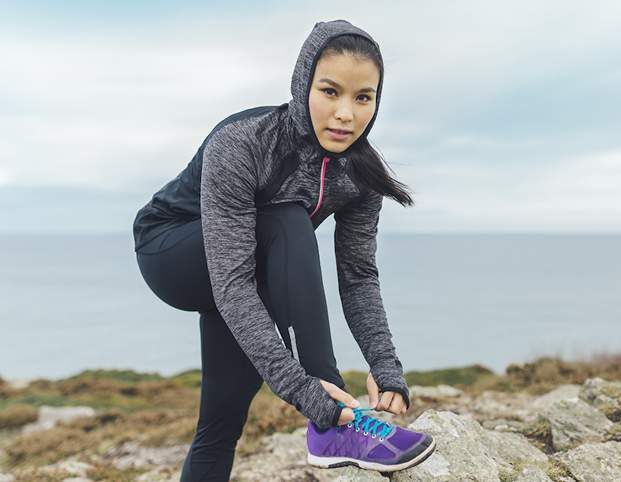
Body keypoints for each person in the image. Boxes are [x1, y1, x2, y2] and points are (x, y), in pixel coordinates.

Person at [132, 19, 436, 480]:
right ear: (303, 85)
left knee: (221, 422)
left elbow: (357, 277)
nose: (346, 114)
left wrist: (386, 367)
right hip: (172, 250)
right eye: (330, 91)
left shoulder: (360, 174)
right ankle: (332, 428)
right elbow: (231, 280)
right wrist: (304, 389)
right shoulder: (244, 142)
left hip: (251, 265)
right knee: (286, 218)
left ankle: (330, 422)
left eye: (363, 97)